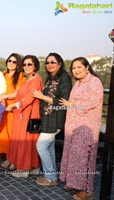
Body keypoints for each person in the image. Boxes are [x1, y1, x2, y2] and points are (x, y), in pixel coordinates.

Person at [59, 57, 103, 200]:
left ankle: (87, 189)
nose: (76, 70)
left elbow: (93, 101)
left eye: (79, 67)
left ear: (87, 68)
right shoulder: (77, 83)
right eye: (74, 68)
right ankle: (73, 182)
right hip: (73, 126)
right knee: (73, 155)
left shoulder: (94, 82)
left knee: (85, 157)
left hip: (87, 127)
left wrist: (72, 104)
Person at [31, 53, 72, 186]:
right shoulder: (51, 77)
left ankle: (51, 177)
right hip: (47, 118)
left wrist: (41, 96)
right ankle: (52, 175)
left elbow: (62, 102)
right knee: (49, 147)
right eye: (47, 62)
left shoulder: (64, 78)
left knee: (41, 145)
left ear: (60, 63)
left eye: (53, 62)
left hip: (56, 118)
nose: (49, 65)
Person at [6, 55, 42, 178]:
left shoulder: (36, 80)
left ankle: (23, 169)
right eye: (25, 64)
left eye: (29, 64)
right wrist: (5, 97)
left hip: (28, 114)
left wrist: (14, 106)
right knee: (28, 141)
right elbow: (18, 93)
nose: (26, 67)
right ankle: (33, 167)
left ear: (35, 66)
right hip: (23, 114)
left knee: (26, 141)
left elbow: (29, 99)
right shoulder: (28, 79)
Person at [0, 53, 26, 167]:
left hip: (13, 108)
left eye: (14, 62)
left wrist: (5, 96)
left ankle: (13, 159)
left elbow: (18, 92)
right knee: (3, 133)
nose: (11, 63)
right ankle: (8, 157)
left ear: (18, 64)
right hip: (2, 108)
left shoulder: (21, 76)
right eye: (9, 61)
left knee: (13, 134)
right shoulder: (2, 74)